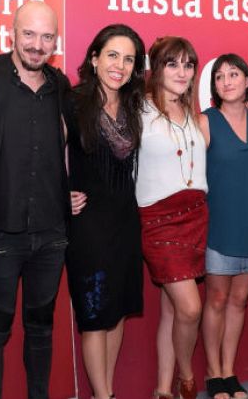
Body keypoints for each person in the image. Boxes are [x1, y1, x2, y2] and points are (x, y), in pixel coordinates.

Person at [0, 0, 70, 399]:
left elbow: (77, 145)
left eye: (47, 37)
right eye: (29, 34)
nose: (37, 45)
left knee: (41, 329)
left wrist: (75, 190)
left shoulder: (60, 85)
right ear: (12, 32)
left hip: (51, 235)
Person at [65, 24, 147, 399]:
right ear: (94, 58)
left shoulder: (133, 105)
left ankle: (106, 390)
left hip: (126, 223)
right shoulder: (72, 100)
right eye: (112, 55)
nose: (120, 65)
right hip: (88, 226)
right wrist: (60, 194)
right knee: (95, 316)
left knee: (117, 312)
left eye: (129, 59)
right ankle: (102, 396)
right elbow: (42, 153)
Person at [197, 54, 248, 399]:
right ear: (214, 86)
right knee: (216, 299)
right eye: (219, 77)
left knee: (239, 301)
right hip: (221, 226)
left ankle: (230, 372)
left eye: (234, 74)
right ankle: (214, 375)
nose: (226, 81)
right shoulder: (204, 122)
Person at [136, 36, 208, 399]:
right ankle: (187, 377)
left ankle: (162, 390)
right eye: (172, 63)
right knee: (191, 307)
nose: (182, 72)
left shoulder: (195, 115)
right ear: (156, 68)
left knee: (172, 310)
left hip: (196, 217)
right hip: (159, 220)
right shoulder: (138, 110)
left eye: (188, 64)